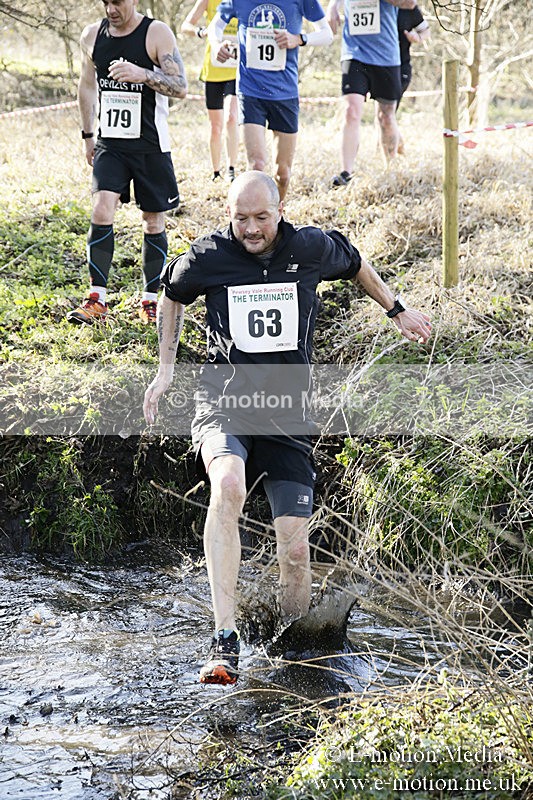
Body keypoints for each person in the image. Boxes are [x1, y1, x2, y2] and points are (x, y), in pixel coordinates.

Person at [143, 170, 431, 685]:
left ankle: (295, 650)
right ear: (228, 215)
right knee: (227, 484)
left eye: (261, 217)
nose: (251, 229)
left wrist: (398, 311)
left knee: (296, 551)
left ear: (279, 209)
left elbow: (359, 263)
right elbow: (171, 296)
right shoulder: (207, 256)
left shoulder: (312, 248)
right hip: (224, 404)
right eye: (240, 218)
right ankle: (225, 640)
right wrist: (166, 369)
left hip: (289, 414)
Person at [67, 0, 188, 326]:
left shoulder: (156, 33)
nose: (111, 9)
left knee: (152, 221)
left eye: (117, 2)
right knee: (101, 209)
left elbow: (181, 88)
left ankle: (150, 302)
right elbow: (87, 84)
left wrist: (143, 74)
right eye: (105, 2)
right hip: (111, 144)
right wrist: (88, 134)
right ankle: (97, 299)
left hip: (150, 145)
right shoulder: (92, 35)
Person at [206, 0, 333, 199]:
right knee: (256, 165)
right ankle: (256, 220)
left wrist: (299, 38)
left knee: (282, 174)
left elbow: (327, 34)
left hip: (285, 93)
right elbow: (216, 25)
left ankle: (276, 216)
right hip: (250, 90)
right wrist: (216, 44)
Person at [326, 0, 416, 187]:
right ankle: (346, 174)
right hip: (354, 53)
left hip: (386, 55)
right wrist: (333, 6)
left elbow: (410, 3)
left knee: (385, 116)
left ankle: (390, 169)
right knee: (351, 111)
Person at [181, 0, 240, 182]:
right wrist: (201, 32)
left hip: (236, 69)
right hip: (213, 70)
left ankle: (232, 168)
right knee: (216, 126)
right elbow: (185, 26)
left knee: (231, 117)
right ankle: (216, 172)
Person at [396, 5, 430, 153]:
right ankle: (390, 151)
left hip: (401, 67)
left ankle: (395, 151)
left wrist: (418, 38)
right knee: (383, 115)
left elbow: (425, 31)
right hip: (376, 65)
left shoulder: (408, 6)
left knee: (387, 114)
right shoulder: (378, 6)